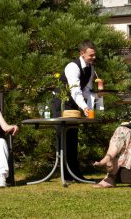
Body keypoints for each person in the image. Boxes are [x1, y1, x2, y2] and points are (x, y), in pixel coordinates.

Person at [52, 40, 96, 180]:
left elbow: (87, 90)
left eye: (94, 55)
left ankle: (74, 172)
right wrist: (84, 107)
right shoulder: (72, 67)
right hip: (62, 103)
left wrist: (89, 107)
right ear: (82, 54)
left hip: (73, 105)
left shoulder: (91, 68)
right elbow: (75, 91)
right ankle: (64, 173)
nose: (93, 58)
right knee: (63, 136)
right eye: (91, 55)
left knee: (72, 136)